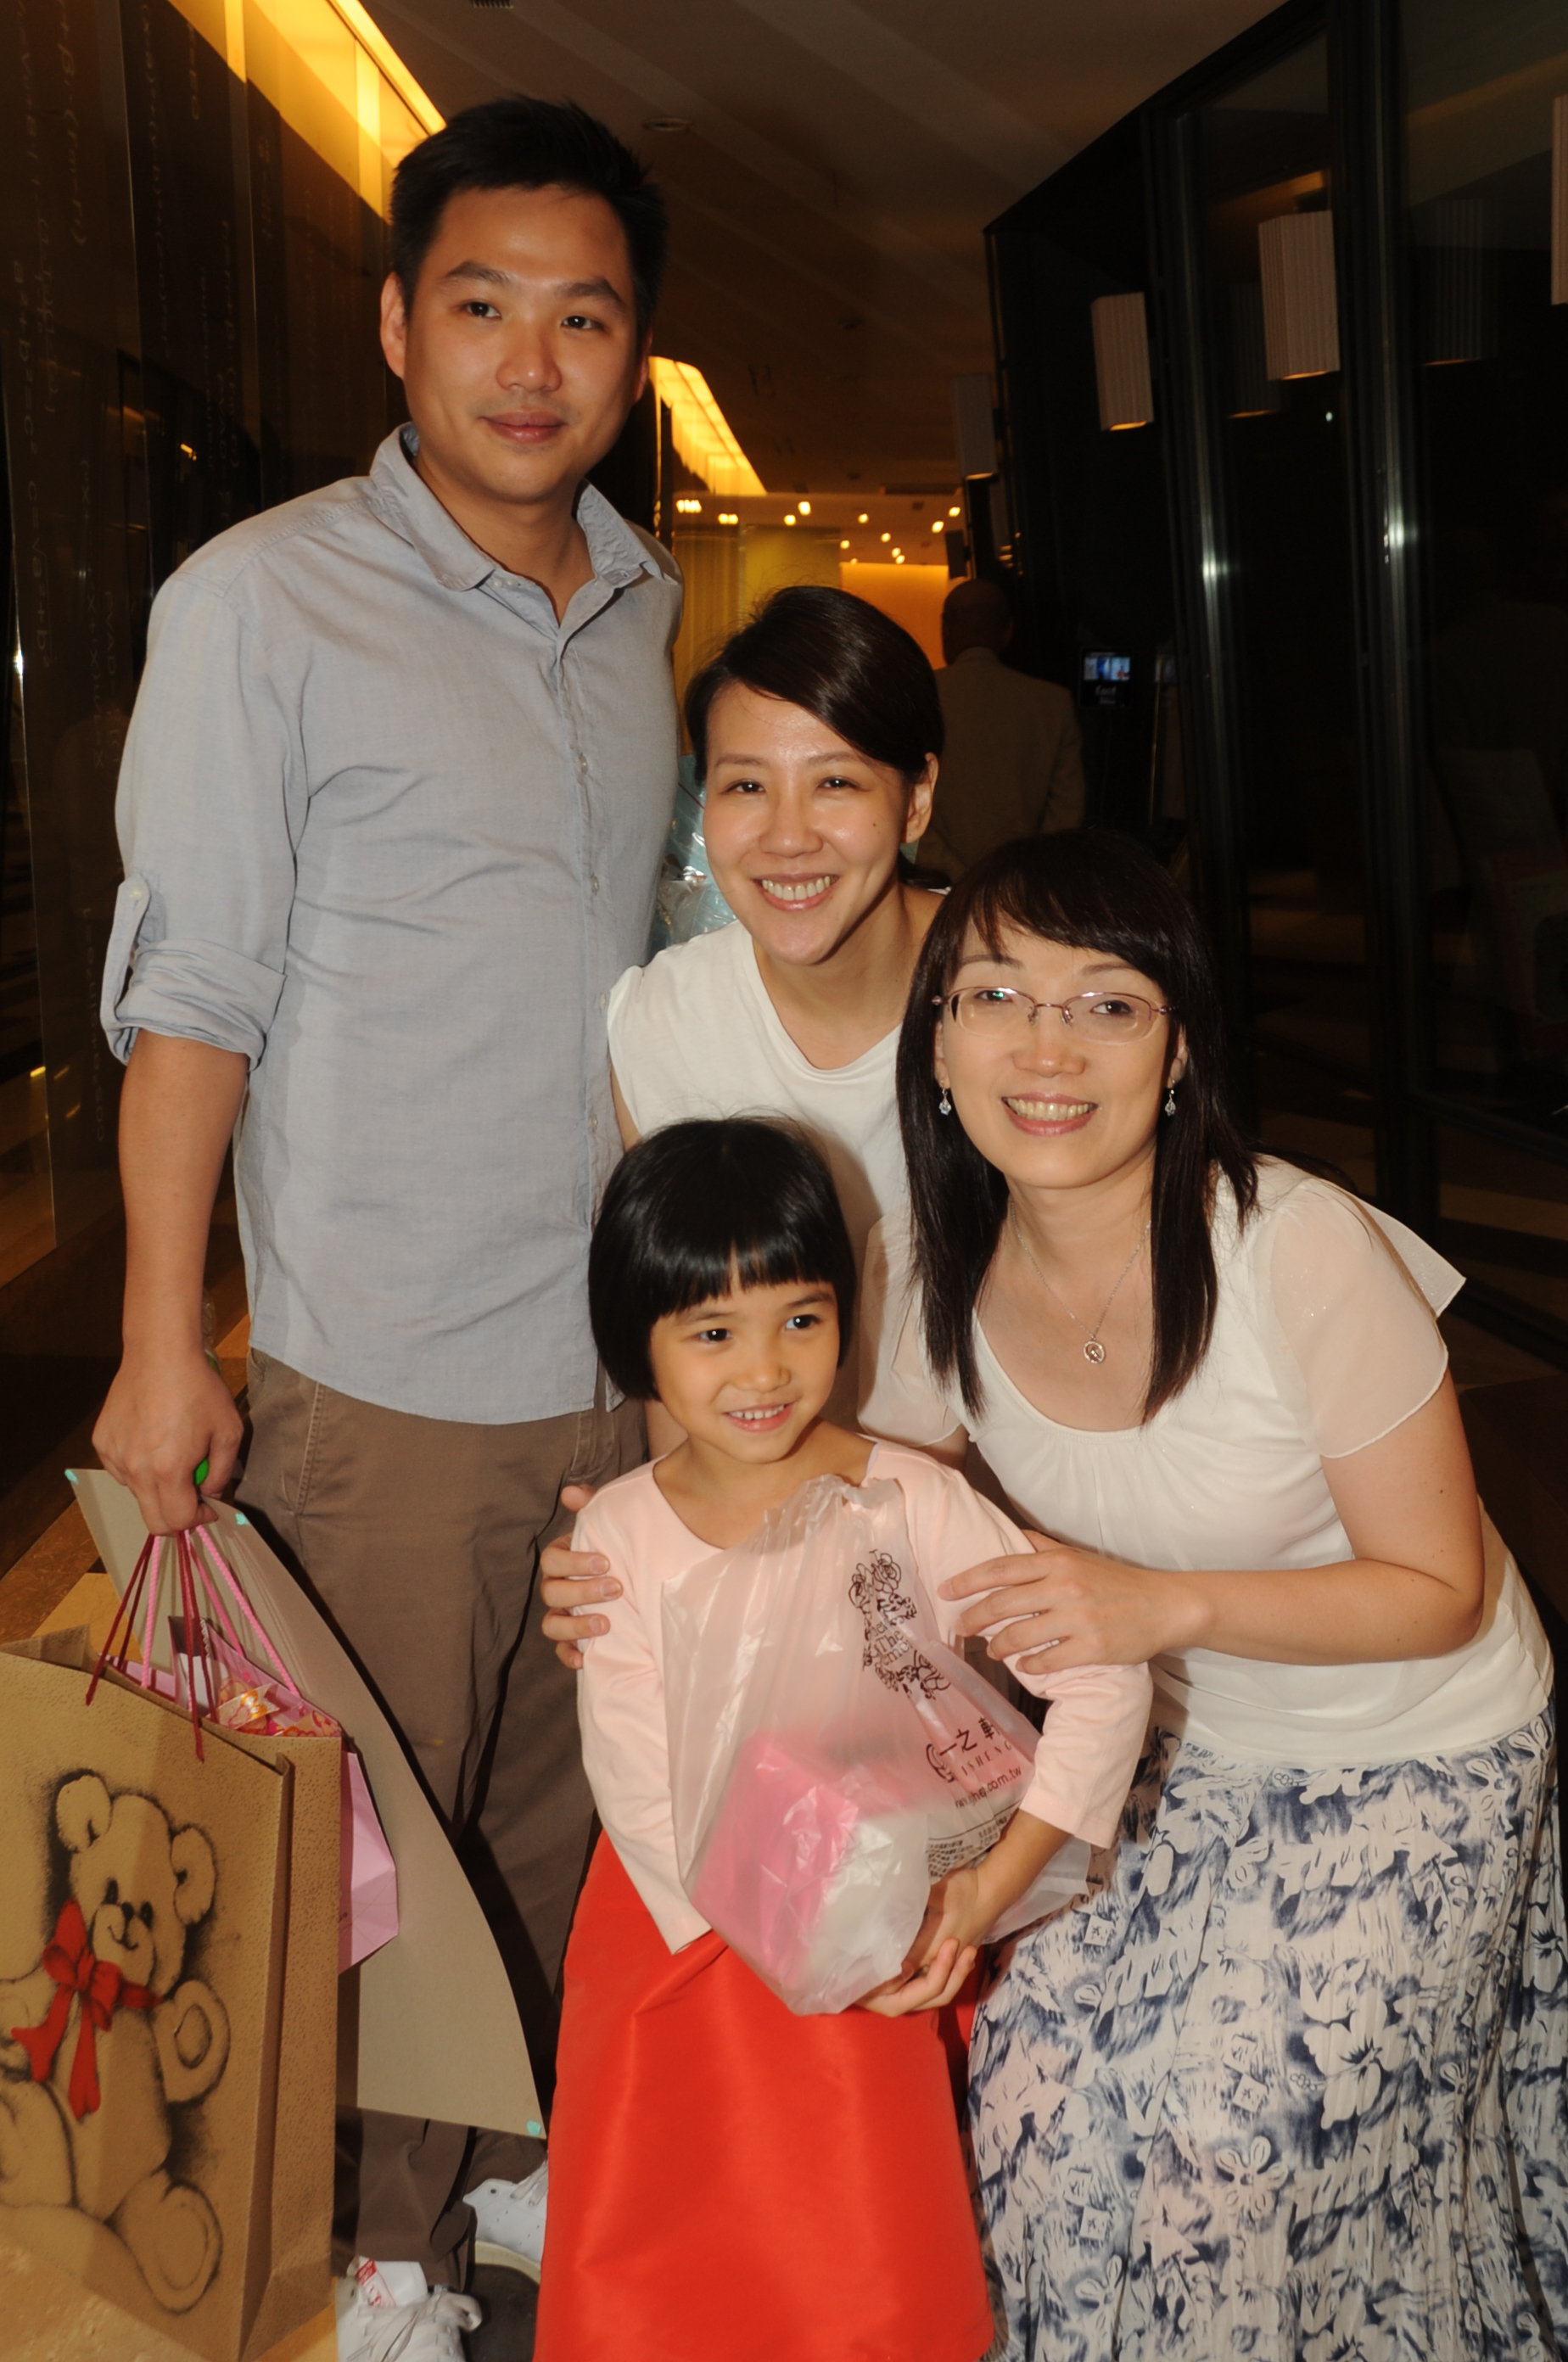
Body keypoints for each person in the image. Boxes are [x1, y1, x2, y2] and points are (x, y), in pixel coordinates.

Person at [92, 95, 681, 2358]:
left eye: (583, 319)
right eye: (483, 307)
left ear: (632, 353)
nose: (532, 364)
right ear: (396, 325)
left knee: (553, 1802)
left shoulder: (640, 606)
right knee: (369, 1849)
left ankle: (493, 2158)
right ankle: (373, 2250)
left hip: (612, 1367)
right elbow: (194, 1003)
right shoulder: (260, 604)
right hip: (387, 1366)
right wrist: (166, 1338)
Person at [857, 829, 1565, 2359]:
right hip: (1162, 1748)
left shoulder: (1297, 1248)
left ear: (1177, 1054)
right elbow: (848, 1486)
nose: (1047, 1047)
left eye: (1108, 1004)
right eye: (997, 995)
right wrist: (636, 1544)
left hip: (1413, 1749)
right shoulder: (936, 1266)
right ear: (937, 1044)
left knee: (1225, 2162)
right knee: (1031, 2110)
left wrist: (1159, 1605)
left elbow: (1439, 1590)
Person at [532, 1117, 1152, 2362]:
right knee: (668, 2257)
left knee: (860, 2260)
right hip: (685, 1945)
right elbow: (642, 1796)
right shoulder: (617, 1541)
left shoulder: (910, 1499)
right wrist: (814, 1943)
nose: (765, 1370)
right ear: (635, 1340)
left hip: (876, 1928)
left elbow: (1104, 1673)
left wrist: (988, 1891)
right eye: (713, 1334)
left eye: (801, 1319)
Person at [605, 582, 944, 1431]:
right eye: (747, 786)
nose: (788, 838)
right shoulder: (668, 1023)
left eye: (836, 782)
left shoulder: (1019, 993)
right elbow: (681, 1354)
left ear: (915, 798)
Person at [920, 579, 1084, 877]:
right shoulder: (1053, 703)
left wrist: (958, 874)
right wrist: (1021, 876)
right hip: (1025, 881)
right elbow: (1066, 813)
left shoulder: (918, 696)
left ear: (945, 629)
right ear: (1007, 631)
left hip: (940, 884)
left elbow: (902, 803)